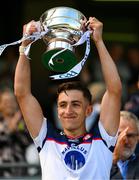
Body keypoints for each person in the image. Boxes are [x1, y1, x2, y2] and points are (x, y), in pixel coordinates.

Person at [14, 17, 122, 180]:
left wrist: (98, 41)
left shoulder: (102, 138)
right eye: (63, 105)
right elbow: (22, 94)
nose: (68, 111)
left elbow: (114, 90)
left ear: (89, 110)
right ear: (57, 111)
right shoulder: (46, 138)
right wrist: (24, 46)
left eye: (76, 104)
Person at [110, 111, 139, 179]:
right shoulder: (97, 160)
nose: (125, 140)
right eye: (119, 134)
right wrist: (115, 158)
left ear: (137, 138)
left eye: (129, 135)